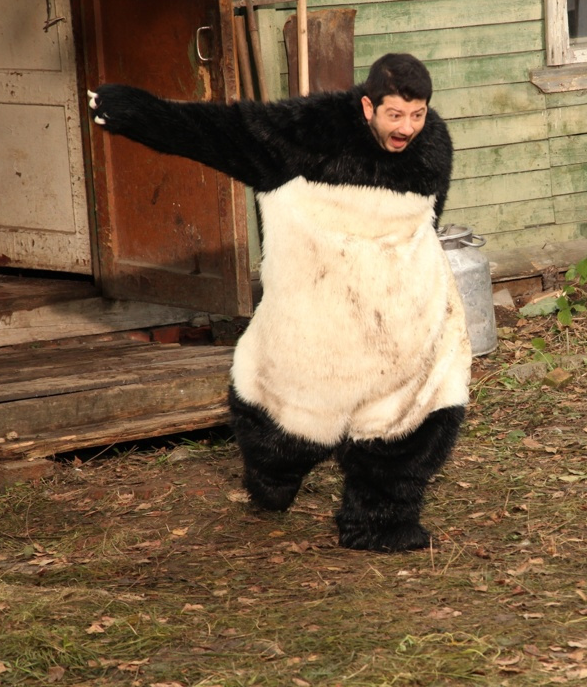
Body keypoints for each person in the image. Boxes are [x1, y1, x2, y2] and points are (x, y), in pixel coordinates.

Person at [89, 53, 471, 552]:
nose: (407, 128)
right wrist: (139, 113)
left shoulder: (434, 145)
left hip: (403, 326)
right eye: (395, 115)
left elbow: (429, 222)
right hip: (315, 323)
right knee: (284, 431)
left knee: (414, 428)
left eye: (417, 115)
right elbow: (218, 133)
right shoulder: (305, 135)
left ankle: (378, 524)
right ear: (366, 106)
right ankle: (272, 479)